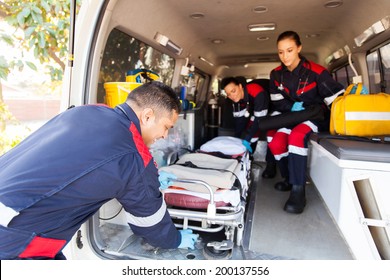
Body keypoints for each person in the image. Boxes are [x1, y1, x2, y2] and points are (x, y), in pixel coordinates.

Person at [0, 81, 198, 260]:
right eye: (166, 127)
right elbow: (150, 223)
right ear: (147, 116)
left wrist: (147, 177)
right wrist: (175, 239)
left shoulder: (86, 111)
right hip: (15, 234)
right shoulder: (134, 155)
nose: (164, 135)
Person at [268, 31, 344, 214]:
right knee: (277, 142)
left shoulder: (317, 72)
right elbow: (277, 100)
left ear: (299, 48)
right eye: (280, 52)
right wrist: (291, 106)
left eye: (289, 50)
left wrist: (352, 99)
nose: (285, 56)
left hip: (315, 116)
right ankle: (287, 178)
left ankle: (298, 190)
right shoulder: (276, 74)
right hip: (293, 115)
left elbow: (337, 99)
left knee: (296, 136)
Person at [221, 76, 277, 177]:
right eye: (228, 94)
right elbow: (240, 121)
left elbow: (259, 120)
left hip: (275, 108)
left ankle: (271, 165)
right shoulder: (237, 100)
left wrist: (247, 137)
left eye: (233, 91)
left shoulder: (256, 91)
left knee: (271, 134)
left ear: (240, 86)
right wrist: (237, 143)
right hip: (259, 109)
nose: (232, 96)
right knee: (251, 132)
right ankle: (248, 159)